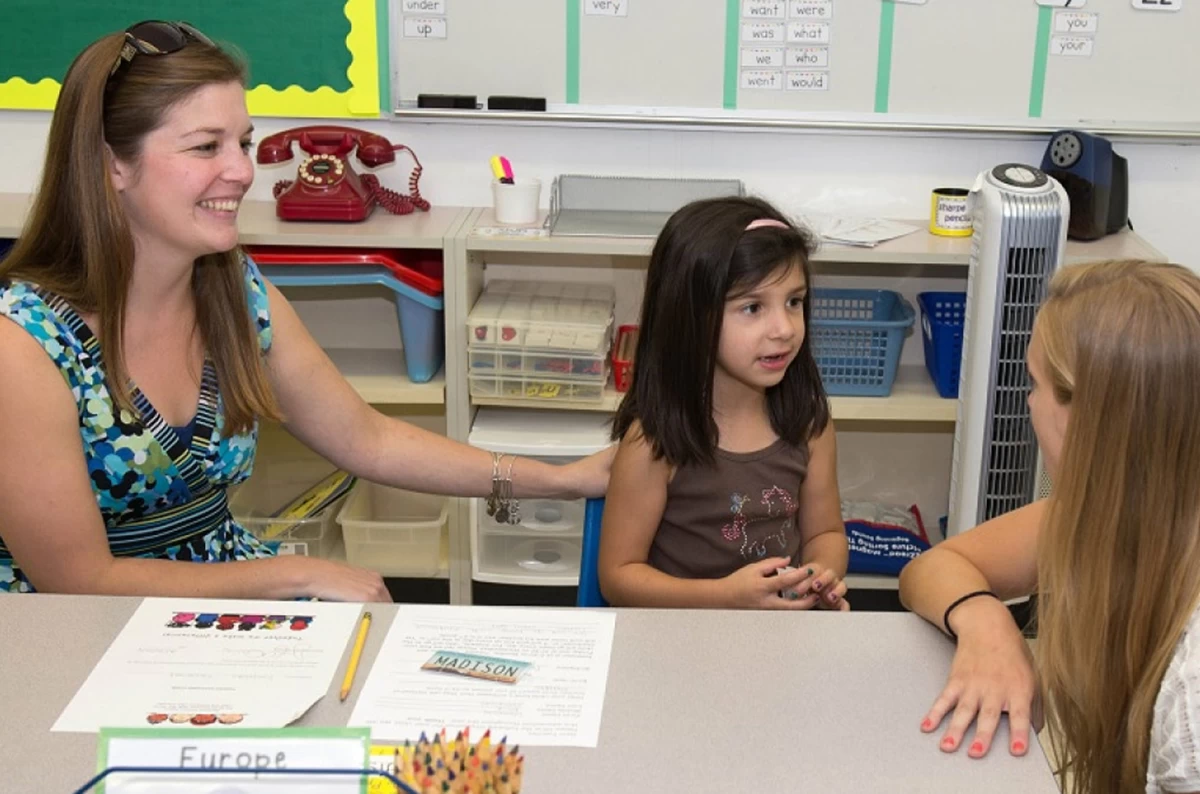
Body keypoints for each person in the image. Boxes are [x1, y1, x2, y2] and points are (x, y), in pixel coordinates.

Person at [0, 21, 610, 599]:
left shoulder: (234, 289)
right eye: (205, 146)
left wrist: (562, 478)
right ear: (112, 165)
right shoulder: (22, 344)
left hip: (219, 603)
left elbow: (369, 440)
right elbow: (78, 582)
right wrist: (288, 574)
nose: (241, 172)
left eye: (243, 143)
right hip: (77, 637)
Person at [899, 260, 1200, 793]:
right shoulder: (1126, 506)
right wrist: (987, 622)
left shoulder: (1189, 698)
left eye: (1034, 383)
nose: (1028, 401)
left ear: (1089, 419)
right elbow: (933, 567)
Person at [597, 196, 849, 610]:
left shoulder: (809, 424)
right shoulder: (654, 442)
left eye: (794, 301)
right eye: (752, 307)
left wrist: (819, 577)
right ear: (691, 317)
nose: (784, 329)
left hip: (778, 637)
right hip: (680, 642)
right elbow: (619, 577)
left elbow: (826, 534)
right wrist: (726, 597)